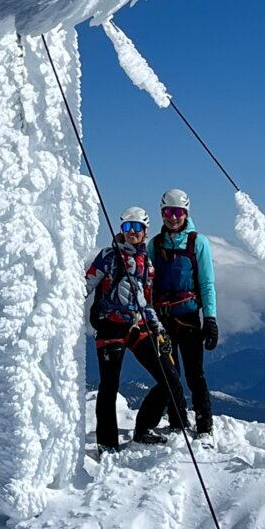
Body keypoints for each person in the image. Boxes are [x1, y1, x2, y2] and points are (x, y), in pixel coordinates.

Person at [87, 206, 188, 456]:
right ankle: (107, 442)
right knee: (109, 385)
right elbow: (85, 284)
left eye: (137, 228)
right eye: (127, 227)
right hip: (110, 326)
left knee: (170, 378)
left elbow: (147, 302)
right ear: (121, 229)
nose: (132, 232)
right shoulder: (108, 256)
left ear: (145, 231)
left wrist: (158, 329)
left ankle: (144, 428)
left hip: (138, 326)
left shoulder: (147, 265)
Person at [148, 188, 218, 441]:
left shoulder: (198, 243)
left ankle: (204, 425)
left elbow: (207, 283)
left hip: (188, 319)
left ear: (186, 213)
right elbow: (148, 282)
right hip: (162, 319)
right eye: (168, 212)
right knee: (170, 373)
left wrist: (210, 319)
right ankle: (177, 421)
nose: (173, 217)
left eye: (178, 212)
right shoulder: (155, 244)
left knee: (194, 374)